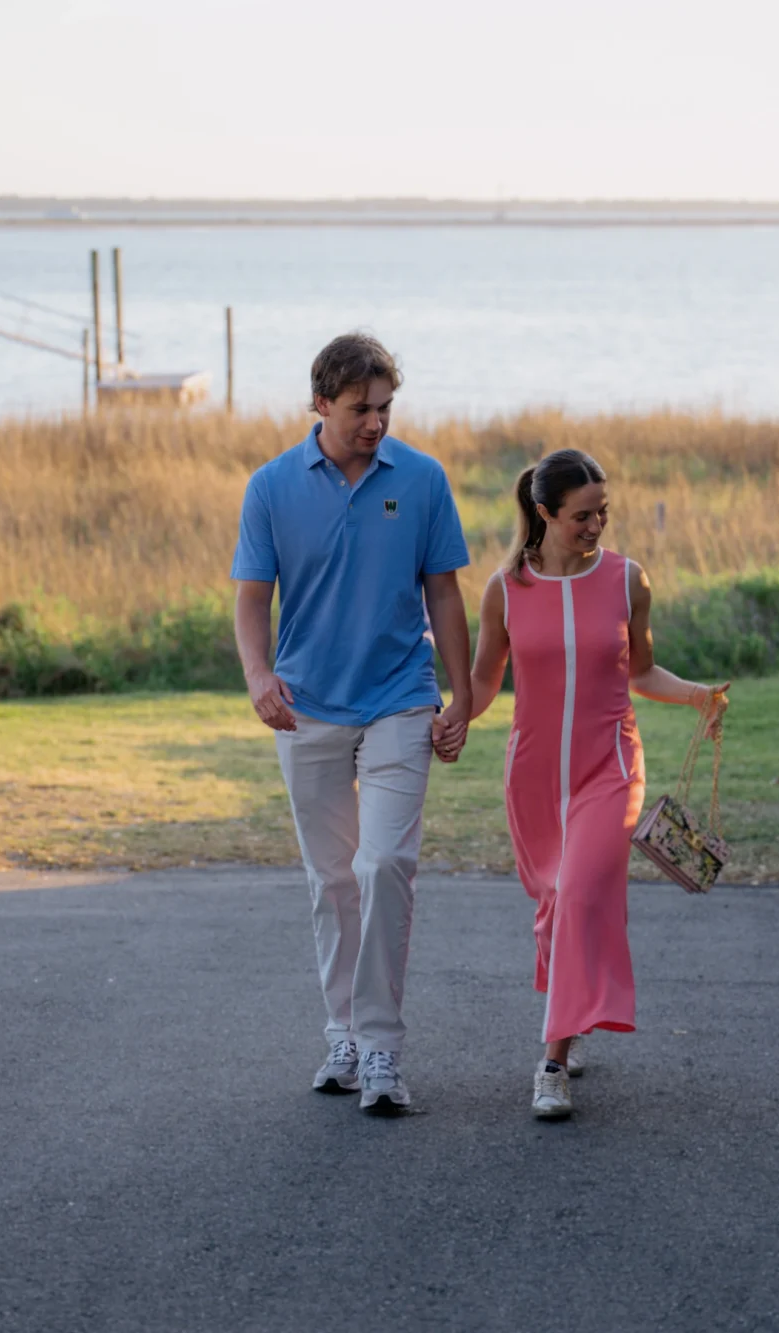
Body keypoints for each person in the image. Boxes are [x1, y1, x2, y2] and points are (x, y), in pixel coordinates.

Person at [436, 449, 727, 1120]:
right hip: (534, 775)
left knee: (577, 891)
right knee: (553, 903)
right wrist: (453, 717)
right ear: (543, 514)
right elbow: (483, 681)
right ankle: (570, 1001)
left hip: (610, 767)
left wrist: (699, 697)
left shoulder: (629, 579)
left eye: (603, 513)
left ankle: (552, 1061)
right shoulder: (505, 590)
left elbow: (641, 670)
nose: (596, 526)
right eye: (580, 517)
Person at [232, 333, 472, 1114]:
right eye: (361, 408)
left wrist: (461, 695)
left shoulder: (424, 480)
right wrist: (259, 675)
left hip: (402, 696)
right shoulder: (270, 488)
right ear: (320, 404)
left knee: (383, 866)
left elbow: (445, 595)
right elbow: (250, 600)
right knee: (332, 880)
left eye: (386, 407)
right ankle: (341, 1032)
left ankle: (381, 1051)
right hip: (306, 709)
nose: (376, 422)